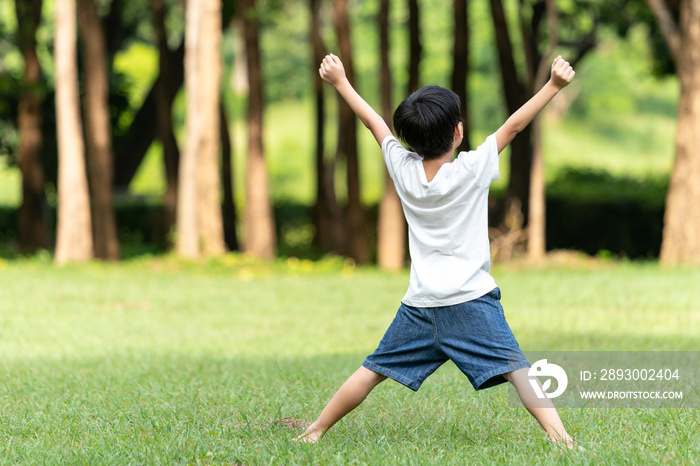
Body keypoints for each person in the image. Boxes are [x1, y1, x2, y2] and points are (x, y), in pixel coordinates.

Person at [298, 53, 576, 448]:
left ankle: (314, 431)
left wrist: (340, 81)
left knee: (372, 369)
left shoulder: (403, 169)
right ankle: (562, 440)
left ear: (409, 137)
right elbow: (513, 126)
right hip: (470, 300)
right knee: (519, 370)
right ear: (458, 132)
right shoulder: (471, 169)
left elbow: (373, 123)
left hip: (421, 305)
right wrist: (553, 86)